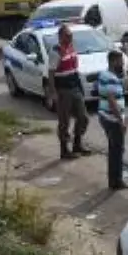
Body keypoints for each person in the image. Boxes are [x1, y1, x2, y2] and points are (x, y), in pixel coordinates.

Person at [52, 25, 91, 160]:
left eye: (71, 35)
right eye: (67, 35)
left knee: (83, 117)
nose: (70, 38)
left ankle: (77, 144)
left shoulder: (72, 48)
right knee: (64, 121)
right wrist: (53, 93)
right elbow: (51, 73)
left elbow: (75, 69)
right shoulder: (56, 51)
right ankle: (64, 150)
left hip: (75, 88)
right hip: (63, 91)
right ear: (60, 36)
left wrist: (80, 87)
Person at [97, 50, 128, 191]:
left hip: (105, 116)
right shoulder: (110, 77)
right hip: (112, 119)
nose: (122, 64)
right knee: (117, 150)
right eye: (120, 62)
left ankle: (113, 180)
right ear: (112, 62)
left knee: (114, 149)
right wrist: (120, 120)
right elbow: (112, 101)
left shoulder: (105, 75)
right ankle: (117, 181)